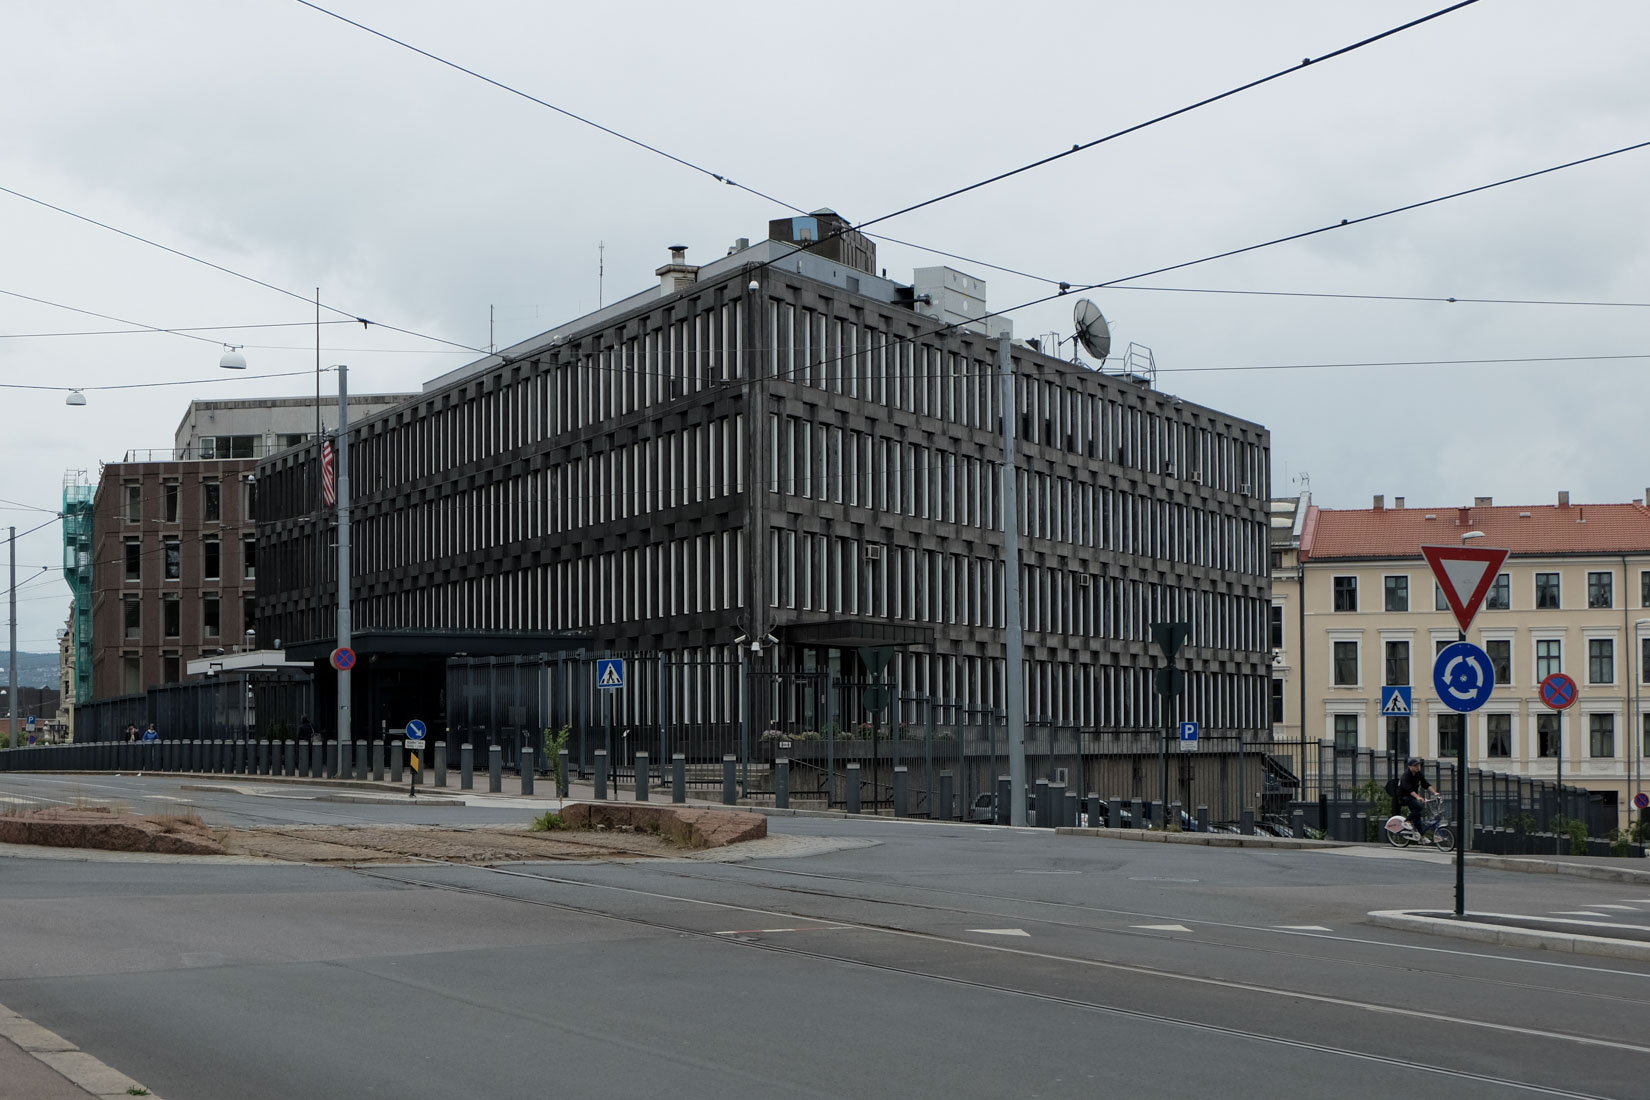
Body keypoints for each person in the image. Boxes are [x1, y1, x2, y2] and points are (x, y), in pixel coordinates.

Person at [1396, 756, 1435, 838]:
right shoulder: (1406, 775)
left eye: (1418, 765)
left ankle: (1422, 837)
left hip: (1412, 796)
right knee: (1419, 807)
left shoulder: (1418, 774)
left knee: (1417, 816)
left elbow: (1425, 784)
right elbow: (1408, 789)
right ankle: (1407, 821)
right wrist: (1418, 797)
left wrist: (1435, 792)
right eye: (1415, 766)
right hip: (1404, 796)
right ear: (1410, 766)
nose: (1418, 767)